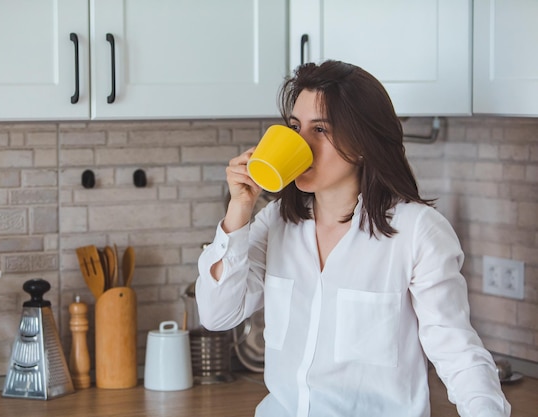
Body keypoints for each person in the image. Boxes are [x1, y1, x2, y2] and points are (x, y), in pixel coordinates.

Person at [195, 60, 511, 417]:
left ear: (361, 144)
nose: (302, 144)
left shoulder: (418, 232)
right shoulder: (275, 223)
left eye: (320, 130)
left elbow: (457, 352)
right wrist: (239, 209)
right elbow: (217, 314)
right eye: (296, 128)